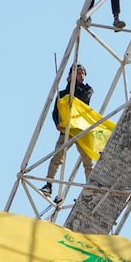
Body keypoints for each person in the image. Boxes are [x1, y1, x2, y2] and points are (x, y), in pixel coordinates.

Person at [47, 63, 96, 197]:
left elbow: (81, 98)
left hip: (81, 129)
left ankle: (90, 187)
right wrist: (57, 123)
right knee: (57, 156)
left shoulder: (87, 90)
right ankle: (49, 184)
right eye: (78, 73)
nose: (81, 76)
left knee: (87, 161)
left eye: (82, 74)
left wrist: (73, 86)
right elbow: (55, 111)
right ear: (70, 77)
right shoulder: (62, 94)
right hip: (67, 129)